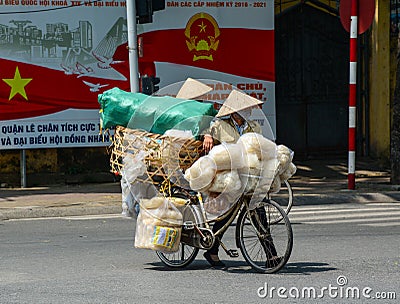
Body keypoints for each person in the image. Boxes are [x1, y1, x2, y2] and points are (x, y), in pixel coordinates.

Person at [202, 89, 280, 268]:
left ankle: (271, 255)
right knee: (225, 215)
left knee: (258, 212)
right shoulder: (219, 126)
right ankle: (212, 250)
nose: (249, 111)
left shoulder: (254, 127)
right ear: (235, 111)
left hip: (249, 176)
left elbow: (262, 148)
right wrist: (207, 136)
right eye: (245, 108)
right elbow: (207, 133)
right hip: (228, 177)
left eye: (249, 109)